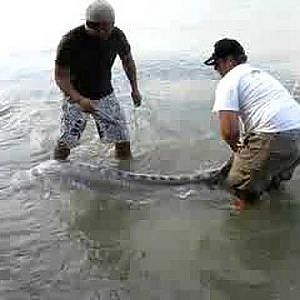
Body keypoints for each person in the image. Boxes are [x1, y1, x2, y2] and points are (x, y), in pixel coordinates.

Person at [204, 38, 300, 210]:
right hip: (296, 137)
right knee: (270, 181)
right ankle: (278, 214)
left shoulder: (228, 81)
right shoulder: (260, 74)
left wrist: (241, 159)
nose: (216, 70)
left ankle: (245, 223)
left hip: (276, 135)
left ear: (229, 61)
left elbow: (229, 132)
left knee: (236, 185)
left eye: (216, 64)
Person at [54, 0, 142, 161]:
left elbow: (128, 62)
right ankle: (52, 171)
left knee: (122, 138)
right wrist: (79, 100)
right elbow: (60, 77)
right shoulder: (70, 41)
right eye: (106, 28)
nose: (109, 31)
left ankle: (126, 176)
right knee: (67, 141)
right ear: (94, 26)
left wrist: (135, 89)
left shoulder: (117, 35)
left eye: (111, 26)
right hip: (76, 95)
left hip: (105, 94)